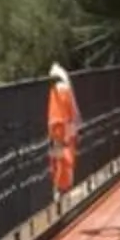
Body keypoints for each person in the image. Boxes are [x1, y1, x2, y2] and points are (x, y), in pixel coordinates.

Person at [46, 63, 80, 201]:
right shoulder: (64, 90)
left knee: (57, 159)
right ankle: (62, 188)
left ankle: (58, 188)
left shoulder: (55, 91)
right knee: (64, 158)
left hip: (56, 128)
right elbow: (71, 112)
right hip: (62, 128)